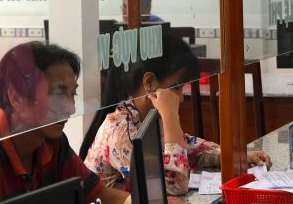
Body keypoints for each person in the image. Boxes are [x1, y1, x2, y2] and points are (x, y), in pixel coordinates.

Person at [0, 41, 193, 204]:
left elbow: (95, 193)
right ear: (16, 97)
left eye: (72, 95)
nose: (68, 108)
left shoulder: (52, 142)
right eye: (58, 94)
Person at [81, 32, 271, 195]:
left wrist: (234, 156)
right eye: (177, 88)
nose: (181, 98)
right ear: (149, 83)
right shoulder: (120, 129)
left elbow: (191, 148)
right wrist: (171, 116)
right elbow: (172, 187)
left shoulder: (144, 115)